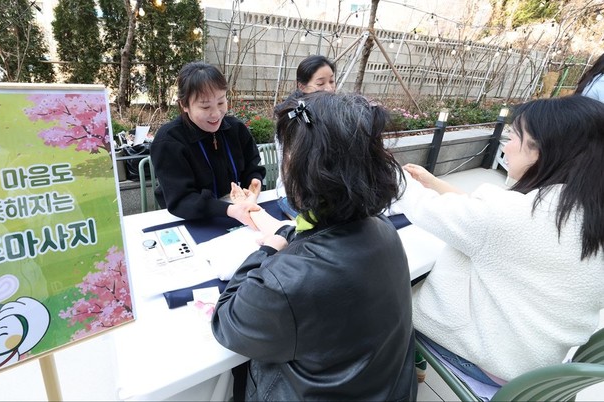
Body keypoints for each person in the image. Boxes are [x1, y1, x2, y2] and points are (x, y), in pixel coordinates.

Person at [211, 92, 417, 401]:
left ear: (309, 169)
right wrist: (285, 232)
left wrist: (266, 251)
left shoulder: (285, 282)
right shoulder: (384, 229)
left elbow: (227, 321)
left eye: (287, 154)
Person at [393, 96, 604, 387]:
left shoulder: (517, 216)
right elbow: (489, 219)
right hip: (539, 367)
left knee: (392, 296)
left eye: (514, 136)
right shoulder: (585, 211)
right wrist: (436, 184)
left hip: (490, 363)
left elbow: (426, 209)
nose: (505, 147)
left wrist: (387, 171)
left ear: (542, 151)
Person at [150, 62, 265, 226]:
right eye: (205, 107)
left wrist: (254, 182)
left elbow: (252, 167)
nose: (216, 114)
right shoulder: (169, 141)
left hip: (237, 211)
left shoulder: (236, 129)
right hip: (192, 220)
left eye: (221, 103)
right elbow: (181, 199)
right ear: (184, 105)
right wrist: (229, 210)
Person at [273, 55, 336, 201]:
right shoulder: (293, 120)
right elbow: (291, 171)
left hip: (327, 193)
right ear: (302, 86)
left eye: (332, 81)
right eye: (320, 83)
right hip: (295, 193)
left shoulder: (333, 114)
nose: (329, 88)